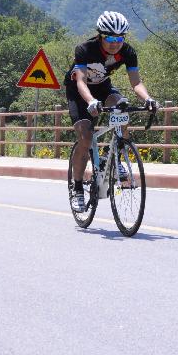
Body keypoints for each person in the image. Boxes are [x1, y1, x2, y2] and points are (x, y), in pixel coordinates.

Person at [64, 11, 159, 212]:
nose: (115, 42)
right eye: (110, 38)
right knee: (86, 137)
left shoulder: (128, 52)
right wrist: (90, 101)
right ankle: (78, 187)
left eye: (120, 38)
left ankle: (117, 154)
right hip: (79, 91)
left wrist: (148, 99)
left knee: (121, 104)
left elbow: (136, 82)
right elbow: (80, 80)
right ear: (100, 35)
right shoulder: (85, 49)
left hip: (103, 87)